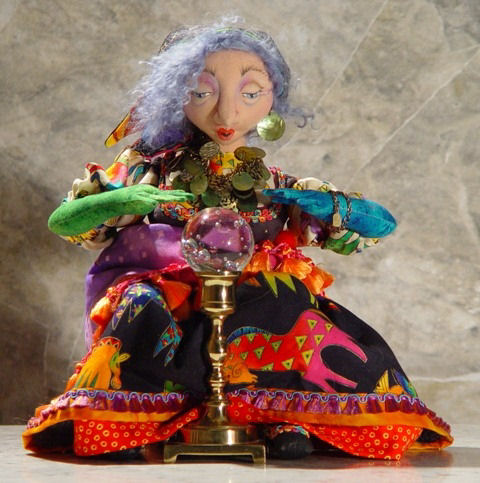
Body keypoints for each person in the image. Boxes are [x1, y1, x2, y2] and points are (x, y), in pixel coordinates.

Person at [23, 23, 452, 461]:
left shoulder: (277, 187)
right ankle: (122, 419)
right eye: (202, 92)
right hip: (173, 296)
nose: (227, 114)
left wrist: (333, 207)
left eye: (249, 94)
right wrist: (121, 200)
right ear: (176, 94)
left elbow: (381, 225)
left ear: (272, 98)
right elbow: (64, 221)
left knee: (289, 303)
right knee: (140, 305)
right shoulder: (150, 170)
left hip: (254, 299)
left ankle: (281, 415)